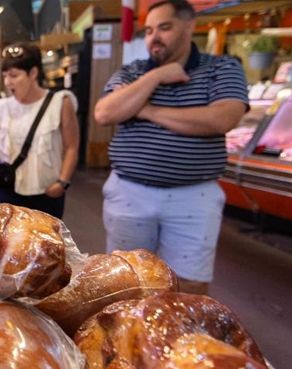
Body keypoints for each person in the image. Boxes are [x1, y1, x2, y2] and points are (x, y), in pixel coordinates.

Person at [94, 0, 248, 295]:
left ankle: (180, 340)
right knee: (125, 280)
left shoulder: (221, 68)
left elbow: (221, 119)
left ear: (189, 26)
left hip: (193, 195)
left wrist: (146, 110)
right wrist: (157, 76)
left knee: (189, 283)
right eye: (149, 30)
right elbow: (105, 113)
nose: (155, 37)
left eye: (165, 27)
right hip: (130, 191)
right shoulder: (133, 72)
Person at [0, 42, 80, 220]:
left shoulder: (60, 102)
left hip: (47, 193)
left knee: (46, 245)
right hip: (9, 193)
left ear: (33, 73)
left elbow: (71, 147)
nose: (8, 82)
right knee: (11, 245)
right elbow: (2, 149)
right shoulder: (1, 108)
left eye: (14, 75)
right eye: (5, 75)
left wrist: (62, 182)